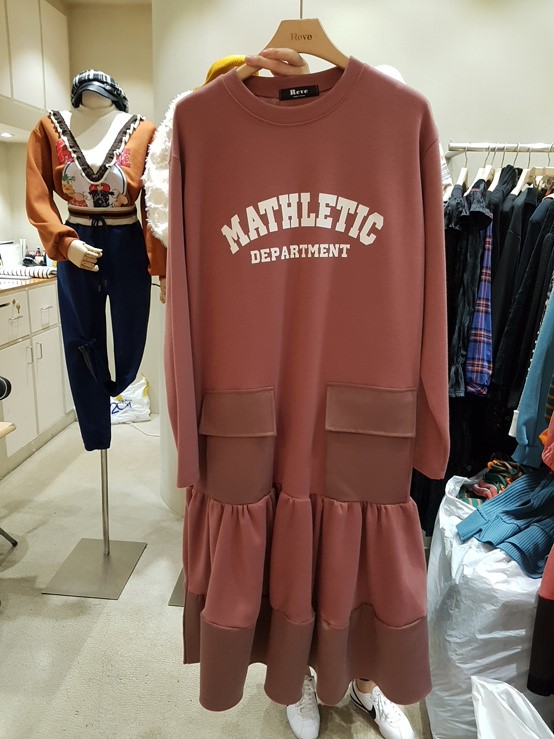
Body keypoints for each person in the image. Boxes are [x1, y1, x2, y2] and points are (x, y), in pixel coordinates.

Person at [26, 70, 165, 452]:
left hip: (126, 241)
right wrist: (63, 242)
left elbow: (154, 204)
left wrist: (161, 267)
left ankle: (120, 386)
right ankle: (96, 433)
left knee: (131, 329)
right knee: (80, 337)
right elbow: (37, 194)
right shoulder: (49, 129)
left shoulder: (144, 131)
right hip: (75, 241)